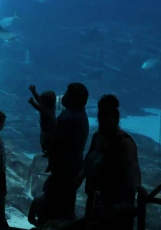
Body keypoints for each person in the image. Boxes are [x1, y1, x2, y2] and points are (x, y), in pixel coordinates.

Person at [76, 94, 143, 230]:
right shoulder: (97, 137)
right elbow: (89, 158)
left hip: (115, 203)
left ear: (113, 120)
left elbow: (133, 169)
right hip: (95, 197)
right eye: (99, 119)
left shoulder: (125, 142)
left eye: (103, 120)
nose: (100, 123)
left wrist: (138, 189)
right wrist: (80, 176)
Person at [36, 82, 90, 223]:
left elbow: (58, 141)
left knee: (57, 207)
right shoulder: (75, 114)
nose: (63, 96)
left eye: (66, 94)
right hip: (67, 168)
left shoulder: (71, 118)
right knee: (63, 203)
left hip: (65, 170)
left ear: (73, 98)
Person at [27, 84, 57, 163]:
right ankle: (47, 153)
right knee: (44, 144)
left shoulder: (48, 111)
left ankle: (50, 157)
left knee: (47, 145)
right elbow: (39, 99)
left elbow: (40, 108)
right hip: (45, 131)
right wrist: (34, 92)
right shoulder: (49, 106)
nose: (40, 101)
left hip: (49, 133)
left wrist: (33, 103)